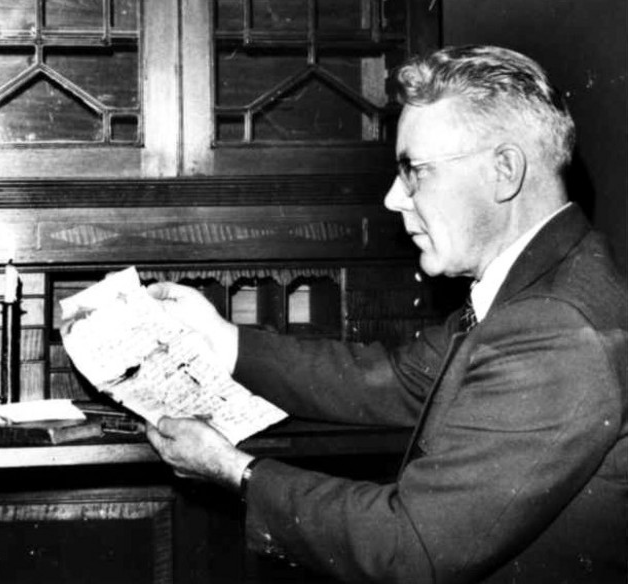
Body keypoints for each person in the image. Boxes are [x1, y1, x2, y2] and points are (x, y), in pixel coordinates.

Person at [145, 45, 627, 583]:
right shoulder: (541, 280)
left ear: (504, 171)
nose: (393, 199)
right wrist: (222, 340)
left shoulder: (556, 330)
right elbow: (395, 379)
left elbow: (409, 547)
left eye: (414, 171)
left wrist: (235, 471)